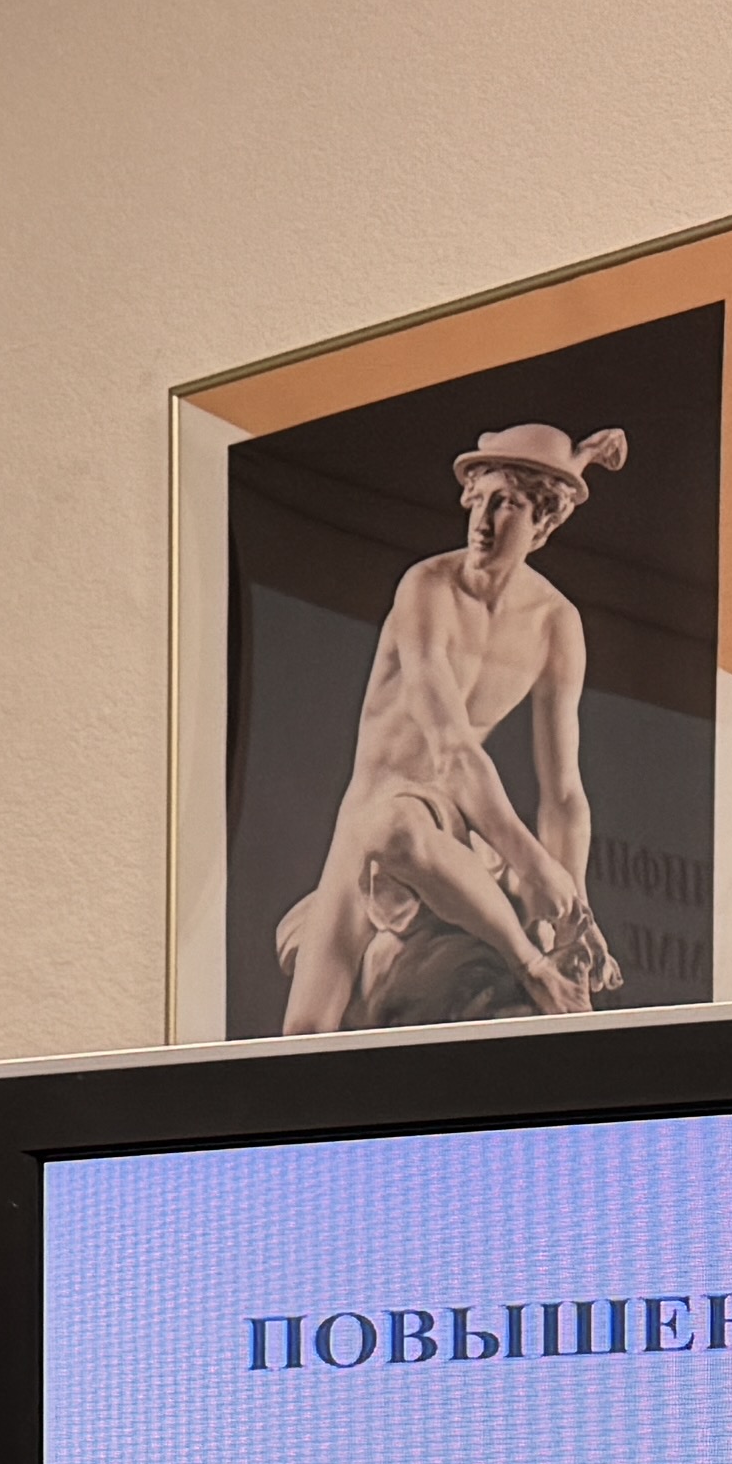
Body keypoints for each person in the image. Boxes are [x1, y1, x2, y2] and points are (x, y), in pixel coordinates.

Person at [273, 418, 629, 1030]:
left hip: (458, 819)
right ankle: (513, 954)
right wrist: (533, 864)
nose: (482, 522)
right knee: (303, 1032)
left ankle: (529, 966)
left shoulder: (555, 622)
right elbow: (452, 751)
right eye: (479, 500)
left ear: (543, 522)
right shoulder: (428, 587)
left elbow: (564, 794)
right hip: (379, 805)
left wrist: (576, 914)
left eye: (506, 505)